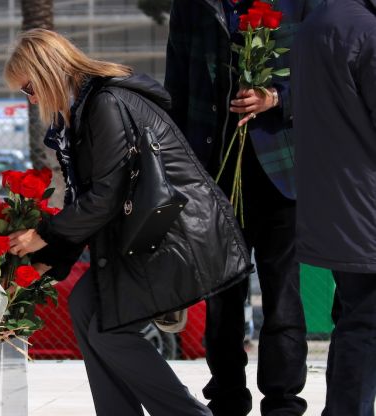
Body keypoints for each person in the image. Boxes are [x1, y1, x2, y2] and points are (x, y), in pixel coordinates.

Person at [4, 28, 251, 416]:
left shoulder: (105, 104)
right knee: (85, 307)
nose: (30, 99)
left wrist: (44, 235)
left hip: (175, 233)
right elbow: (85, 198)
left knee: (110, 330)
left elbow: (106, 196)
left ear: (50, 72)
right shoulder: (79, 113)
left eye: (29, 87)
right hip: (145, 235)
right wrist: (51, 257)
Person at [165, 1, 319, 414]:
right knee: (223, 297)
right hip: (214, 169)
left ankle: (284, 402)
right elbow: (177, 84)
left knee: (282, 292)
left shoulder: (300, 4)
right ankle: (227, 399)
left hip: (281, 171)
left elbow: (324, 69)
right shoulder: (191, 6)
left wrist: (276, 97)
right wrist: (179, 173)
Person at [292, 1, 376, 414]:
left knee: (354, 317)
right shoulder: (366, 32)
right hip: (366, 204)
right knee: (366, 324)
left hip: (338, 202)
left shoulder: (315, 25)